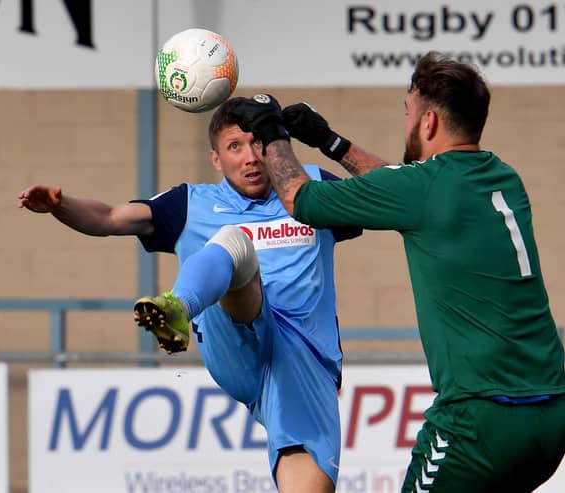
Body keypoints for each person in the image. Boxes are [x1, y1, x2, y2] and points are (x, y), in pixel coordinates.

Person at [229, 52, 565, 492]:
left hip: (480, 419)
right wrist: (329, 141)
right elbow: (400, 185)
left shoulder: (424, 187)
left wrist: (272, 133)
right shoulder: (501, 176)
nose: (405, 124)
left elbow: (300, 199)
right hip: (549, 415)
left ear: (428, 123)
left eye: (407, 114)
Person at [17, 97, 363, 493]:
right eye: (235, 147)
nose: (250, 157)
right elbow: (110, 217)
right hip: (232, 338)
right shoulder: (191, 203)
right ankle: (176, 308)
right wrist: (61, 206)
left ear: (273, 146)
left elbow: (392, 200)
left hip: (303, 360)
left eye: (256, 144)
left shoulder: (310, 186)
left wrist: (332, 141)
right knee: (233, 242)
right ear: (216, 159)